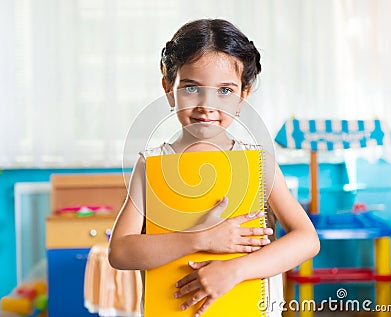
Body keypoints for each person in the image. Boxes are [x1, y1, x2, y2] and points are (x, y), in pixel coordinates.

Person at [108, 18, 320, 316]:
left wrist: (233, 270)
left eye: (225, 91)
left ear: (243, 96)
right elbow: (120, 252)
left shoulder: (259, 164)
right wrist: (202, 238)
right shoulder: (152, 166)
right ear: (169, 89)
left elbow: (307, 239)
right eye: (192, 88)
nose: (207, 105)